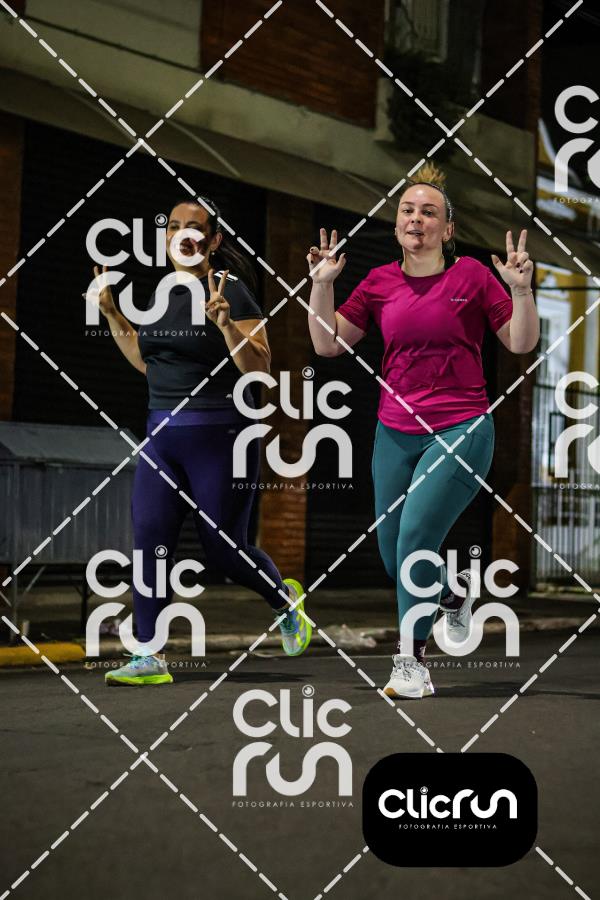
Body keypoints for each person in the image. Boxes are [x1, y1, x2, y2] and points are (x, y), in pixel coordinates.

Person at [306, 163, 539, 699]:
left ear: (447, 229)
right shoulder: (379, 282)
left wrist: (522, 292)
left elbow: (520, 343)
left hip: (461, 427)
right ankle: (452, 595)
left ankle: (411, 663)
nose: (417, 218)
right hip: (394, 430)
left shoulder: (472, 276)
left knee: (415, 539)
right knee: (395, 557)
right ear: (396, 226)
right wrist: (322, 287)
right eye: (408, 210)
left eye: (429, 212)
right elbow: (326, 344)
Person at [88, 197, 311, 685]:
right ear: (166, 236)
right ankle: (148, 654)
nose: (183, 234)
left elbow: (260, 366)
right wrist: (111, 313)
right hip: (161, 437)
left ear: (213, 241)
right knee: (150, 540)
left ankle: (283, 600)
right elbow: (148, 362)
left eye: (195, 228)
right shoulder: (161, 293)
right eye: (175, 226)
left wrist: (226, 325)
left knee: (224, 550)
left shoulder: (230, 290)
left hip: (221, 436)